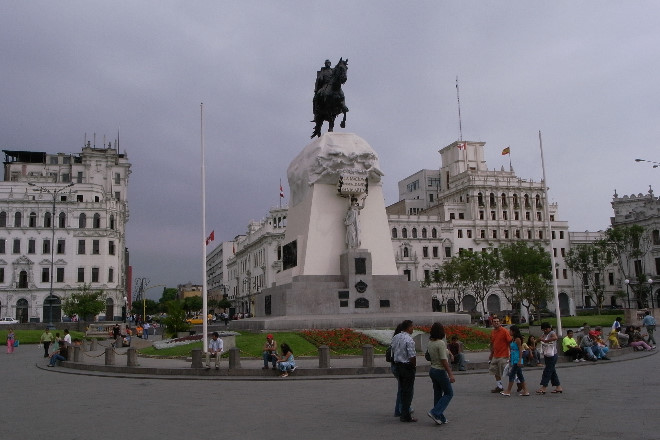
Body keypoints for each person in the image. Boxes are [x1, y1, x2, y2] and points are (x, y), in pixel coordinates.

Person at [427, 322, 454, 425]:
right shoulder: (441, 343)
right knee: (449, 393)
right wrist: (450, 374)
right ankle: (435, 412)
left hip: (432, 369)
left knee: (437, 393)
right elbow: (443, 360)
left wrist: (449, 352)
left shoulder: (430, 342)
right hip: (440, 370)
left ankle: (440, 416)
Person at [391, 319, 417, 422]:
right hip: (407, 367)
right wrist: (413, 367)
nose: (413, 329)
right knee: (408, 392)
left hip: (397, 365)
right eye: (412, 327)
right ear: (408, 327)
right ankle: (405, 415)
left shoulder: (396, 337)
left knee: (402, 390)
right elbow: (412, 356)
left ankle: (400, 411)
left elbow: (392, 349)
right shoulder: (409, 339)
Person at [500, 325, 529, 396]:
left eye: (510, 330)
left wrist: (519, 360)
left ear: (514, 331)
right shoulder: (513, 339)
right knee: (520, 375)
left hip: (517, 358)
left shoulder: (518, 339)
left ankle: (508, 390)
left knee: (512, 374)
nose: (509, 332)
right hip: (513, 357)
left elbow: (520, 349)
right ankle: (525, 390)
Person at [537, 322, 563, 394]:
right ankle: (558, 387)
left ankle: (544, 387)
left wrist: (546, 341)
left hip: (552, 354)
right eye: (543, 329)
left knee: (547, 371)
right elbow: (539, 339)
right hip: (546, 354)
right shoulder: (544, 334)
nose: (545, 331)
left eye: (546, 329)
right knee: (552, 371)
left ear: (549, 328)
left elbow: (555, 337)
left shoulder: (551, 333)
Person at [488, 316, 512, 393]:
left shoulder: (504, 331)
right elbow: (492, 343)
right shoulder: (493, 332)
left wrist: (511, 353)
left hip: (503, 355)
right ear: (492, 323)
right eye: (494, 321)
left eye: (498, 321)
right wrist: (491, 354)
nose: (496, 323)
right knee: (495, 371)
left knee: (507, 371)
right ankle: (499, 386)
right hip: (495, 355)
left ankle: (518, 381)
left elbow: (509, 342)